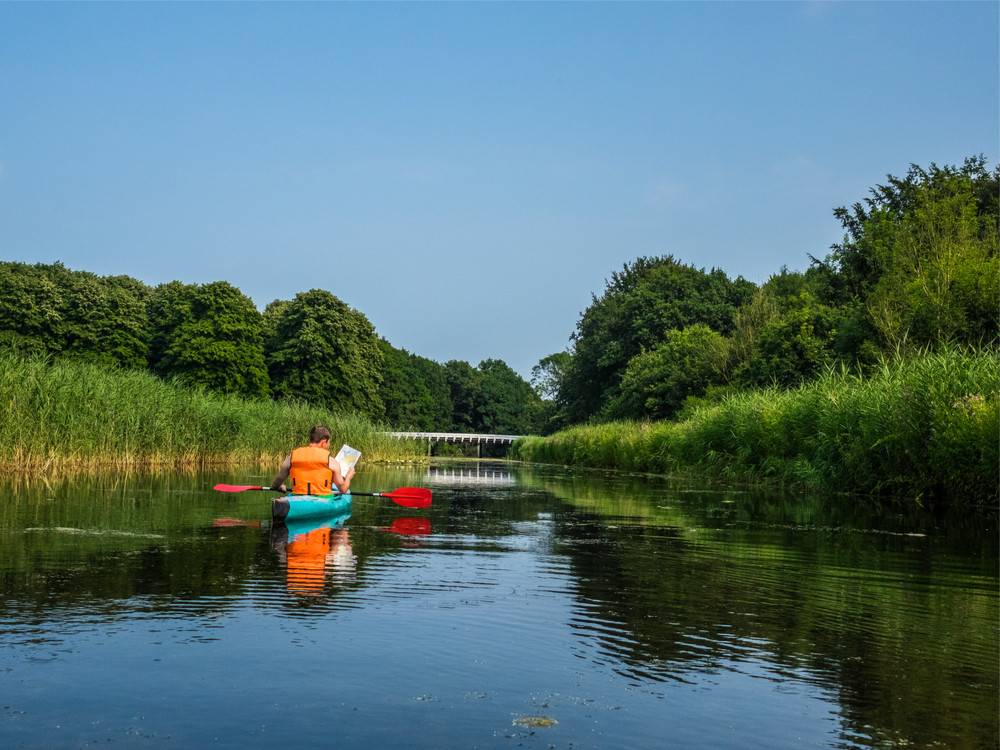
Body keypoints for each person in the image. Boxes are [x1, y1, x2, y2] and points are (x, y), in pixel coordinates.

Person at [270, 425, 354, 496]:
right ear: (323, 442)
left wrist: (280, 487)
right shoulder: (331, 461)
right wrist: (348, 478)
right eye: (328, 442)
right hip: (323, 500)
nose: (328, 445)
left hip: (298, 497)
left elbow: (275, 484)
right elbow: (343, 490)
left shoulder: (291, 458)